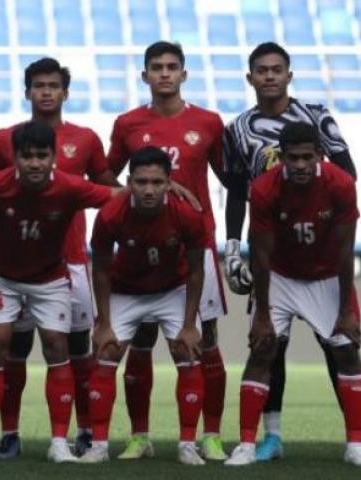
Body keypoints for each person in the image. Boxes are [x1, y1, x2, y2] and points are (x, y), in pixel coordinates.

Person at [223, 41, 357, 461]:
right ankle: (270, 437)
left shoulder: (315, 116)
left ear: (288, 74)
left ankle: (355, 441)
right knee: (267, 346)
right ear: (251, 77)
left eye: (276, 69)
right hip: (273, 254)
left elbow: (346, 173)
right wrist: (232, 247)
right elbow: (235, 193)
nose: (269, 76)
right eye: (261, 70)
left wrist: (302, 190)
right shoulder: (239, 129)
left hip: (318, 247)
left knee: (340, 346)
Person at [0, 57, 118, 458]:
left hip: (71, 263)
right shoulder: (4, 140)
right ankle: (9, 433)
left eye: (53, 85)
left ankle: (85, 431)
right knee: (12, 351)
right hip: (14, 266)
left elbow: (108, 188)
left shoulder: (86, 139)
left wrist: (154, 193)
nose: (45, 92)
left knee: (75, 352)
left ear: (65, 92)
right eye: (38, 85)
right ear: (27, 92)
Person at [106, 41, 228, 460]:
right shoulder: (127, 123)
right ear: (144, 76)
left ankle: (209, 434)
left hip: (197, 246)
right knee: (140, 337)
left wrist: (229, 237)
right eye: (156, 67)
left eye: (171, 67)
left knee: (203, 340)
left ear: (184, 74)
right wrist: (136, 191)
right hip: (143, 247)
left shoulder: (209, 122)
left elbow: (231, 180)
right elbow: (107, 175)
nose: (164, 73)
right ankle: (140, 436)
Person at [82, 146, 207, 465]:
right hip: (127, 290)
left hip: (172, 289)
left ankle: (187, 445)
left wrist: (190, 325)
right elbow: (99, 269)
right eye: (140, 182)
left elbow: (195, 271)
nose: (148, 189)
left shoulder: (188, 213)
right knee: (106, 352)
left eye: (156, 182)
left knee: (186, 350)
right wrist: (104, 323)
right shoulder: (110, 214)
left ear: (169, 183)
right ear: (129, 182)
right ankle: (98, 445)